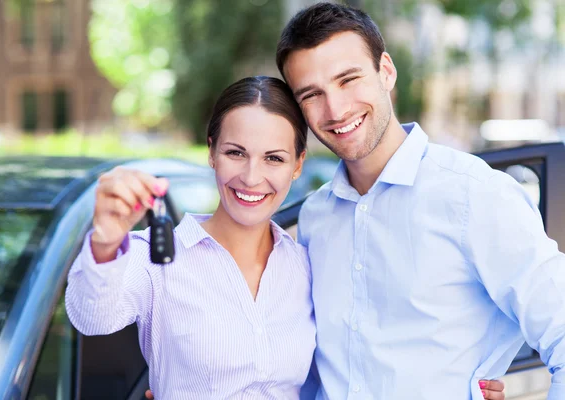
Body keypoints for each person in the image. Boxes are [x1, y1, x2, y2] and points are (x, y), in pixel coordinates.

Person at [274, 2, 565, 400]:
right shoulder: (314, 217)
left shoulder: (475, 195)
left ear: (386, 71)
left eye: (348, 79)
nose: (336, 109)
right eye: (312, 94)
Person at [65, 76, 317, 399]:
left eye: (274, 158)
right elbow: (91, 317)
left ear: (297, 165)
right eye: (236, 153)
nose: (252, 177)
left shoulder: (305, 267)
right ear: (211, 152)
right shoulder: (156, 259)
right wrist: (105, 241)